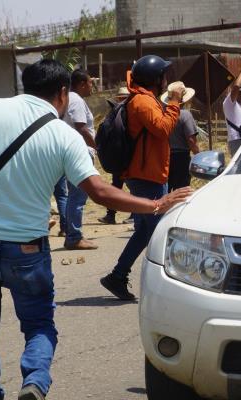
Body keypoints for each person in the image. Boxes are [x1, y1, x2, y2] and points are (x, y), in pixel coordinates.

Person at [0, 59, 191, 400]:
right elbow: (100, 192)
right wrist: (154, 205)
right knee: (38, 325)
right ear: (63, 93)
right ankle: (34, 381)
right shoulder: (64, 134)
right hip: (27, 249)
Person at [101, 55, 185, 301]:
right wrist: (175, 101)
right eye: (163, 76)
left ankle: (117, 276)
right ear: (155, 79)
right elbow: (163, 128)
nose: (166, 80)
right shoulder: (142, 101)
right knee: (161, 231)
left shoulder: (143, 99)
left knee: (145, 232)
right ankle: (171, 285)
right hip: (146, 176)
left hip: (148, 174)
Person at [62, 69, 99, 250]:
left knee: (73, 196)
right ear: (82, 84)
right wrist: (99, 146)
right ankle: (74, 237)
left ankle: (72, 233)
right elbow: (82, 128)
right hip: (80, 152)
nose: (92, 86)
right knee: (77, 196)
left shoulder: (68, 98)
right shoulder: (76, 99)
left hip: (72, 151)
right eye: (90, 83)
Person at [100, 86, 133, 225]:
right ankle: (111, 215)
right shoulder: (118, 112)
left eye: (123, 98)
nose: (121, 100)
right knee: (118, 186)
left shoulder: (124, 112)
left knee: (130, 186)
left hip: (123, 155)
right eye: (120, 98)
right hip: (121, 155)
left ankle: (133, 214)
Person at [162, 81, 199, 192]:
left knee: (167, 189)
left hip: (165, 156)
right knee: (181, 190)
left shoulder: (163, 113)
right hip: (181, 157)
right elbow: (191, 140)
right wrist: (198, 155)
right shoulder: (185, 114)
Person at [223, 66, 241, 156]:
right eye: (240, 92)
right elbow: (236, 86)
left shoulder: (239, 106)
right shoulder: (229, 102)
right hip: (237, 140)